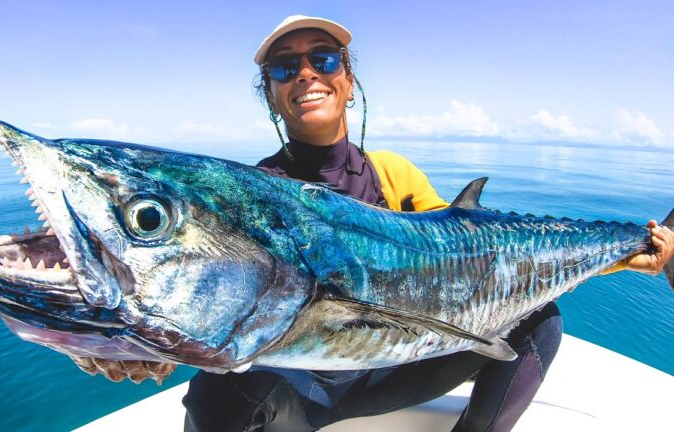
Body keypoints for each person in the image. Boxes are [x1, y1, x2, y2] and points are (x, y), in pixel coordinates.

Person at [177, 15, 674, 432]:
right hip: (301, 387)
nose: (306, 74)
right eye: (286, 68)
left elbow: (475, 262)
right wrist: (126, 344)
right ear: (271, 94)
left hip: (394, 364)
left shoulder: (394, 174)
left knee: (539, 319)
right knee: (213, 395)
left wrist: (628, 256)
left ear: (348, 82)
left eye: (323, 60)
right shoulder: (250, 199)